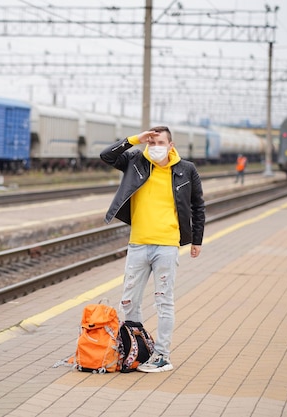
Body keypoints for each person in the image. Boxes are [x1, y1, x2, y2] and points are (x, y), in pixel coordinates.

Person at [100, 126, 205, 373]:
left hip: (167, 246)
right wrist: (136, 139)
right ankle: (134, 349)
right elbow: (107, 156)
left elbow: (198, 205)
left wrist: (196, 240)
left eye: (160, 142)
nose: (155, 146)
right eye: (152, 142)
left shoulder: (186, 170)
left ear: (171, 145)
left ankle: (162, 355)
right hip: (138, 244)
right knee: (129, 301)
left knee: (164, 302)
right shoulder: (136, 161)